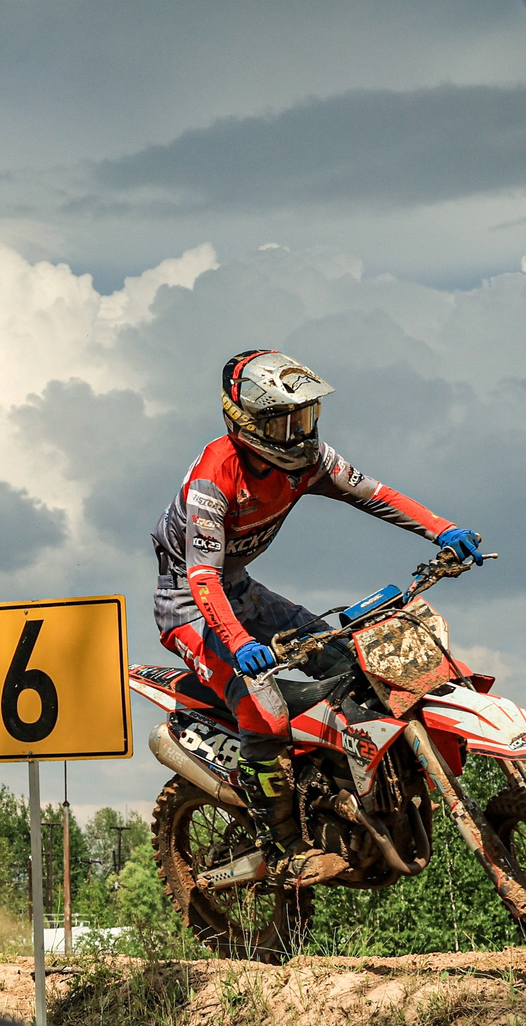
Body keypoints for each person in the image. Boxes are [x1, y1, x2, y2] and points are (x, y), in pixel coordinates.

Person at [152, 348, 483, 879]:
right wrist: (238, 645)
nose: (300, 431)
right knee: (259, 707)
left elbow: (373, 493)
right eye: (286, 421)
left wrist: (440, 528)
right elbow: (202, 578)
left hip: (240, 590)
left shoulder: (310, 460)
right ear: (248, 423)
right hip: (190, 606)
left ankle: (346, 788)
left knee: (345, 658)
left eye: (306, 416)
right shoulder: (214, 480)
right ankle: (284, 843)